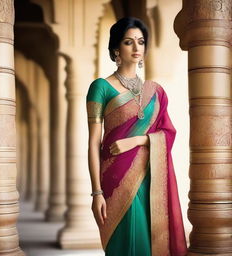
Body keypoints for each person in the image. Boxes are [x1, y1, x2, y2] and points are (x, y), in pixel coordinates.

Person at [86, 17, 187, 256]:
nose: (136, 47)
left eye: (140, 42)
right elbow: (92, 143)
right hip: (114, 180)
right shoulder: (100, 87)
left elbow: (168, 133)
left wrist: (138, 140)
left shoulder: (156, 92)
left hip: (148, 179)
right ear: (116, 49)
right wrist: (96, 193)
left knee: (147, 244)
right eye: (128, 42)